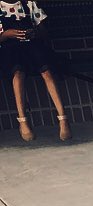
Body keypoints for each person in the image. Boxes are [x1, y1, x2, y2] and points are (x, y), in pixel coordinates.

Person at [0, 0, 70, 142]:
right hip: (10, 49)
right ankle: (23, 121)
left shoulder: (28, 4)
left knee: (47, 72)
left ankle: (63, 119)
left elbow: (43, 30)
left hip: (32, 47)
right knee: (18, 73)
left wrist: (34, 33)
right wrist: (6, 35)